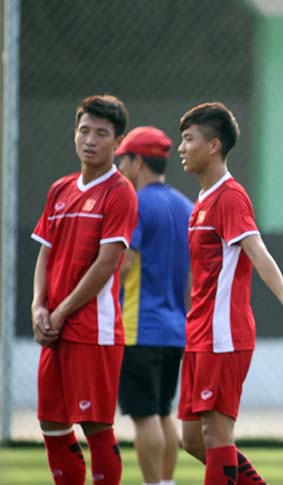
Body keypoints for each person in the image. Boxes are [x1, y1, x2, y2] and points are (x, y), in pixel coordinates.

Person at [175, 102, 283, 484]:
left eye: (189, 139)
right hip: (199, 332)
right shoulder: (203, 201)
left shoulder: (230, 196)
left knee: (217, 436)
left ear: (214, 146)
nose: (181, 148)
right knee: (191, 439)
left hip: (223, 334)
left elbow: (257, 250)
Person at [31, 95, 137, 485]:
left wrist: (59, 313)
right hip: (53, 326)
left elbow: (107, 263)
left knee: (94, 423)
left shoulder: (120, 191)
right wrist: (37, 307)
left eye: (102, 133)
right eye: (84, 130)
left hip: (94, 329)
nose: (90, 140)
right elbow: (45, 253)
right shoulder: (59, 189)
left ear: (118, 141)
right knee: (52, 423)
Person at [115, 126, 193, 485]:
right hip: (176, 328)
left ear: (136, 162)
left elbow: (126, 262)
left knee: (144, 415)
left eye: (122, 160)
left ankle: (152, 484)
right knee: (163, 413)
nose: (119, 167)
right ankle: (166, 482)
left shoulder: (135, 203)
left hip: (137, 326)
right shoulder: (185, 205)